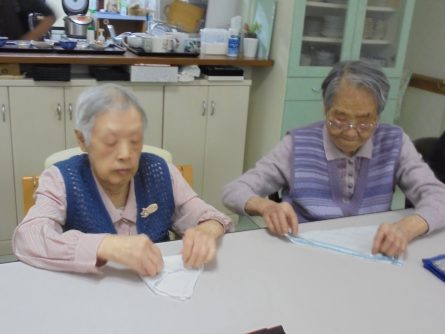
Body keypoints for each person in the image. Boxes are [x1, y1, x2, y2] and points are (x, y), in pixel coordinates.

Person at [223, 60, 445, 257]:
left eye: (365, 121)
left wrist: (407, 228)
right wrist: (266, 207)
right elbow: (234, 191)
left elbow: (438, 196)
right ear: (325, 108)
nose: (351, 131)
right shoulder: (298, 144)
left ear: (378, 115)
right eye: (339, 119)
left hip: (370, 252)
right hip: (303, 253)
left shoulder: (394, 142)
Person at [13, 84, 233, 276]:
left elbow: (208, 216)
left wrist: (208, 230)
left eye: (135, 141)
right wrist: (106, 245)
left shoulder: (160, 171)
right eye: (111, 142)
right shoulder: (61, 178)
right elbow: (28, 239)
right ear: (82, 140)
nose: (126, 154)